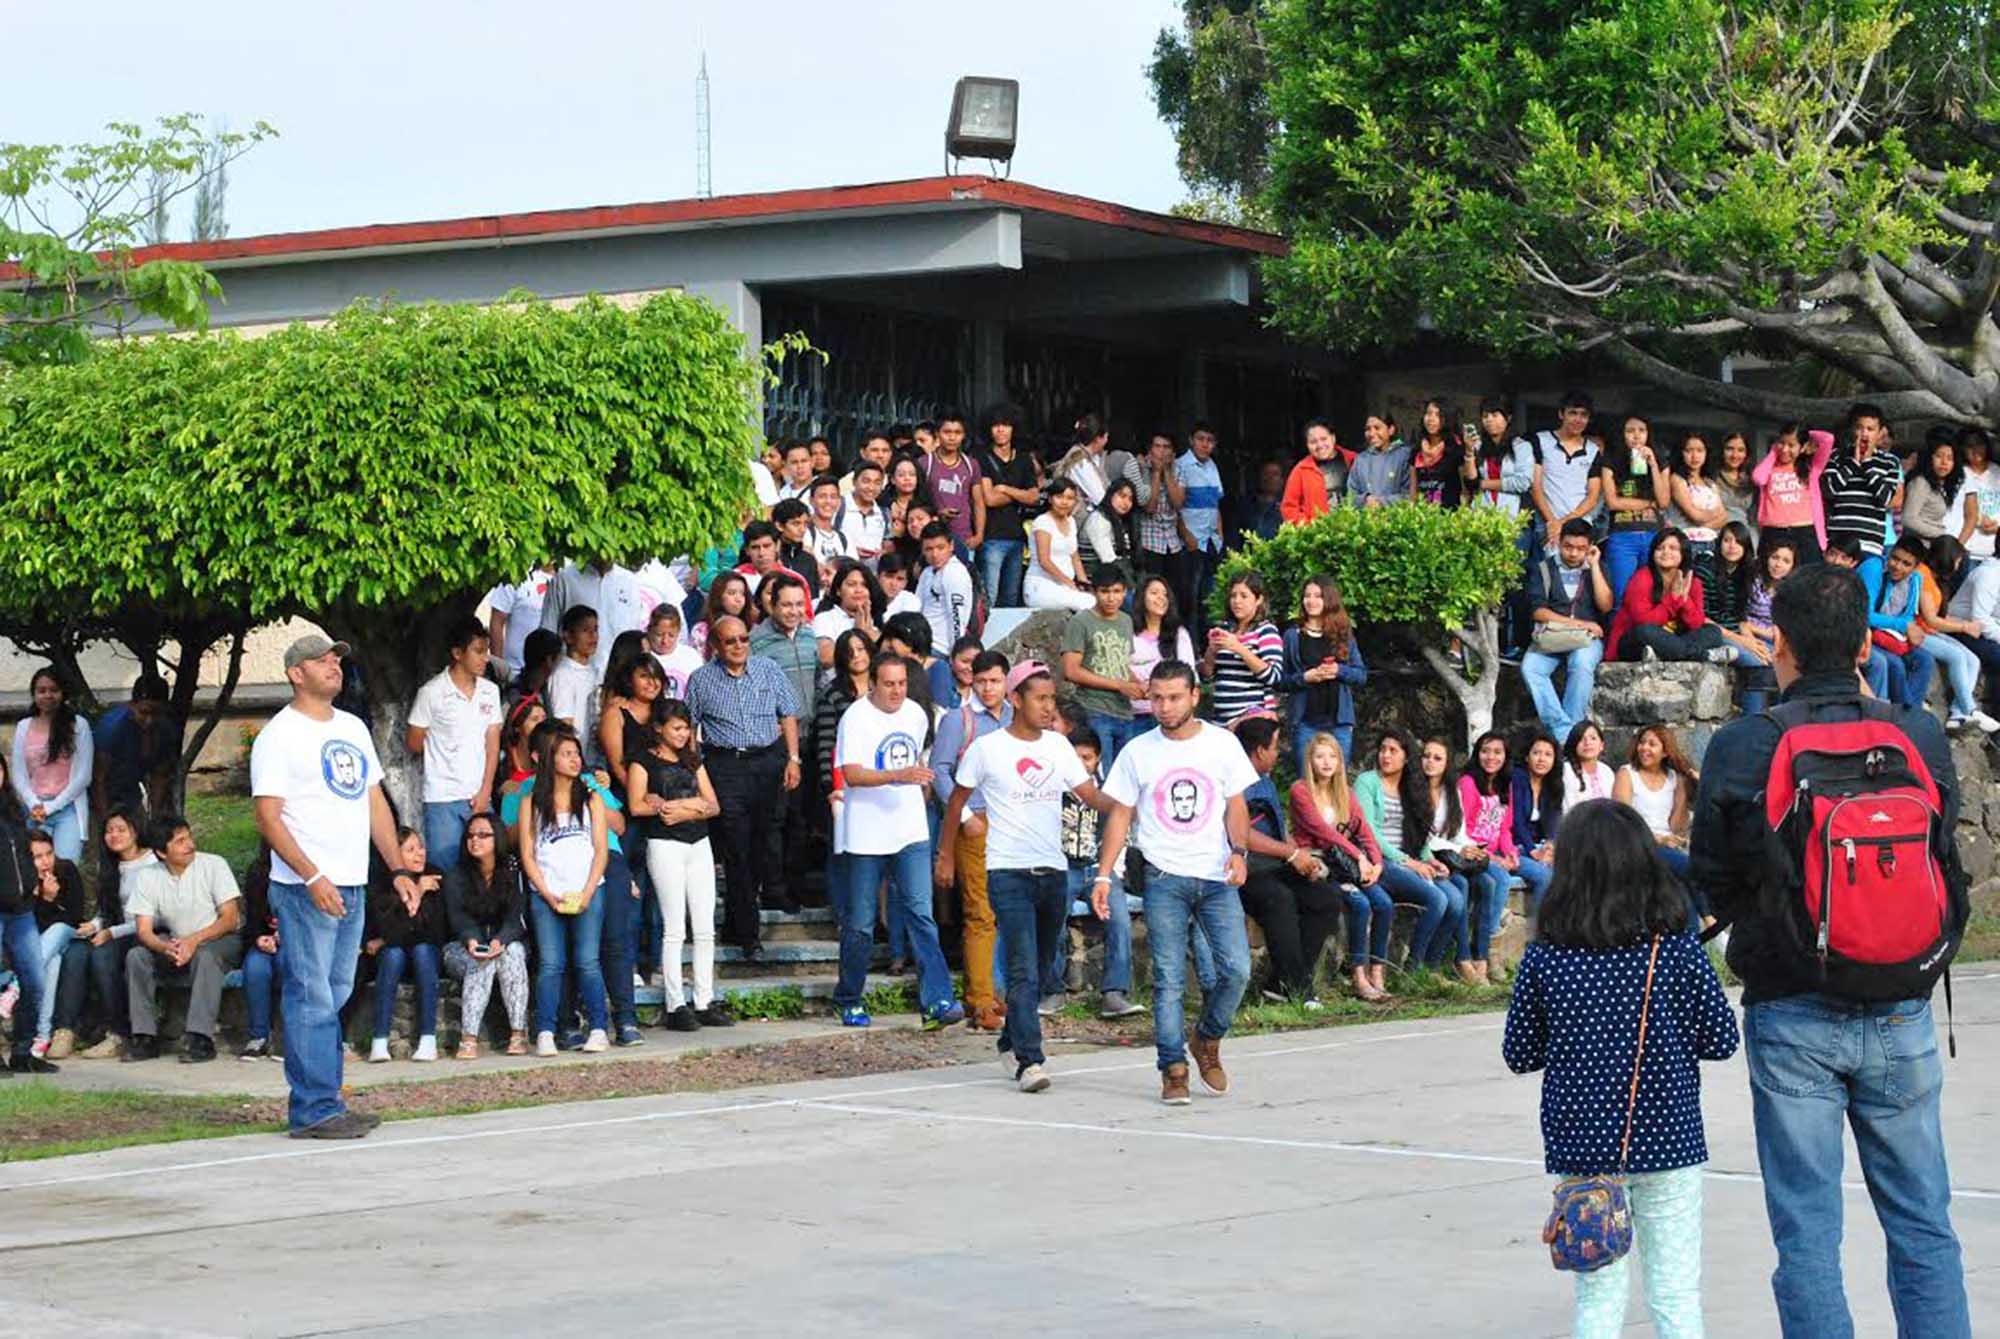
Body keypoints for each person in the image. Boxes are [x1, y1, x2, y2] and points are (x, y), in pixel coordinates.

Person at [1691, 562, 1972, 1337]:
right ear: (1865, 644)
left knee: (1808, 1231)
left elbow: (1712, 875)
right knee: (1924, 1222)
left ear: (1777, 641)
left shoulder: (1745, 743)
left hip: (1793, 1008)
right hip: (1903, 1004)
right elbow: (1943, 853)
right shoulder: (1917, 732)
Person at [1504, 799, 1738, 1339]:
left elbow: (1520, 1053)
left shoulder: (1547, 958)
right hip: (1669, 1138)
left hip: (1583, 1147)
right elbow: (1722, 1040)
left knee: (1597, 1298)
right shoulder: (1676, 950)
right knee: (1675, 1292)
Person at [251, 633, 415, 1138]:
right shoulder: (279, 736)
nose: (333, 666)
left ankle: (328, 1100)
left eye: (336, 660)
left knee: (338, 990)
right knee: (311, 995)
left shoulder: (352, 727)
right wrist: (312, 875)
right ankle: (315, 1109)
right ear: (295, 673)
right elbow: (268, 818)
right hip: (306, 888)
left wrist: (399, 869)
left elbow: (373, 802)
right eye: (320, 660)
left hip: (351, 881)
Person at [938, 662, 1109, 1092]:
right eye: (1040, 698)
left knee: (1041, 964)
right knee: (1022, 969)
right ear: (1016, 699)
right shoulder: (987, 749)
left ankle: (1009, 1039)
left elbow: (1089, 795)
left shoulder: (1059, 746)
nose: (1049, 707)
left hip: (1053, 871)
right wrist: (946, 856)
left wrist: (1129, 804)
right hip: (1007, 871)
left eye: (1052, 698)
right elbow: (957, 801)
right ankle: (1030, 1060)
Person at [1090, 661, 1254, 1105]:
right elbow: (1120, 815)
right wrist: (1105, 874)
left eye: (1174, 697)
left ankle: (1207, 1037)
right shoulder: (1138, 751)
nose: (1164, 707)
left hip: (1217, 875)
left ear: (1195, 696)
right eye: (1157, 698)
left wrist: (1239, 851)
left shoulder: (1222, 744)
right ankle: (1173, 1068)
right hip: (1164, 875)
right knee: (1168, 978)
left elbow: (1236, 805)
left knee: (1237, 970)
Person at [830, 653, 965, 1031]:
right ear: (873, 683)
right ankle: (849, 997)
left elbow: (918, 763)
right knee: (860, 922)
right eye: (889, 684)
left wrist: (915, 785)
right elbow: (852, 773)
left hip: (909, 830)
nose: (896, 691)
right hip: (866, 834)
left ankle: (937, 1000)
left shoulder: (916, 714)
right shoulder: (855, 717)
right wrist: (897, 775)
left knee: (921, 914)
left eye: (902, 683)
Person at [683, 615, 801, 962]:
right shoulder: (701, 679)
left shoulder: (768, 669)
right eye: (730, 641)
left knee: (763, 845)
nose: (738, 646)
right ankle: (749, 935)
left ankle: (738, 922)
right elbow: (689, 728)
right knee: (736, 847)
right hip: (726, 766)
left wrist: (793, 758)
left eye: (743, 639)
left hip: (768, 762)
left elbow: (788, 713)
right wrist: (696, 773)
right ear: (715, 646)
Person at [627, 699, 729, 1031]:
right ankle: (675, 1003)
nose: (683, 734)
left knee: (704, 926)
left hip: (699, 842)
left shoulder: (692, 760)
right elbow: (637, 805)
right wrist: (685, 807)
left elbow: (713, 804)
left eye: (686, 728)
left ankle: (704, 998)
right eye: (677, 728)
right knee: (674, 927)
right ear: (659, 728)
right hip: (665, 844)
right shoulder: (643, 761)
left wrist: (683, 807)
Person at [516, 722, 612, 1056]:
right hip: (547, 892)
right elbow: (528, 854)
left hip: (589, 890)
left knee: (587, 961)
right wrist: (545, 892)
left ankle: (598, 1028)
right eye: (567, 754)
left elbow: (601, 850)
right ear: (551, 759)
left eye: (576, 754)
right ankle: (545, 1030)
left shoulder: (591, 799)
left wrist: (587, 892)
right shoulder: (531, 802)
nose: (575, 760)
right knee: (551, 963)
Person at [930, 650, 1013, 1031]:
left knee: (1008, 910)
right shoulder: (958, 719)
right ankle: (980, 999)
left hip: (1013, 823)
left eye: (995, 681)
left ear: (1007, 681)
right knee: (979, 911)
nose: (988, 688)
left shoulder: (1016, 716)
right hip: (975, 819)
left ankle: (1001, 991)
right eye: (981, 681)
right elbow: (940, 771)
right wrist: (964, 816)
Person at [1283, 728, 1394, 1003]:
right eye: (1320, 756)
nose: (1326, 762)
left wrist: (1376, 863)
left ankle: (1377, 971)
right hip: (1319, 860)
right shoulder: (1300, 790)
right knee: (1360, 904)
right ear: (1310, 761)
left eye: (1332, 756)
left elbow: (1364, 830)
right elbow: (1322, 832)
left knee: (1383, 903)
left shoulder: (1345, 792)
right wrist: (1359, 856)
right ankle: (1358, 975)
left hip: (1345, 862)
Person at [122, 812, 244, 1064]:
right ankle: (144, 1037)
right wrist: (165, 947)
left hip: (219, 939)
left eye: (189, 837)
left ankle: (200, 1038)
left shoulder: (214, 865)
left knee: (206, 956)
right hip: (177, 942)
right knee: (137, 956)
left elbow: (230, 918)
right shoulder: (148, 876)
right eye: (180, 841)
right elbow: (144, 930)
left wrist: (193, 941)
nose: (190, 845)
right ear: (161, 852)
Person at [1054, 726, 1144, 1018]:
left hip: (1099, 869)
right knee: (1052, 915)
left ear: (1097, 760)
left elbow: (1120, 836)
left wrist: (1109, 873)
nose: (1081, 764)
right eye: (1076, 758)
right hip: (1063, 868)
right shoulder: (1053, 792)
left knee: (1119, 918)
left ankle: (1114, 993)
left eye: (1088, 758)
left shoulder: (1108, 793)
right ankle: (1052, 989)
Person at [1352, 728, 1461, 968]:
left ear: (1406, 757)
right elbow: (1369, 833)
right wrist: (1409, 862)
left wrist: (1429, 859)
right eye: (1383, 749)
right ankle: (1413, 966)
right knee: (1437, 899)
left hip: (1408, 860)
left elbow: (1417, 831)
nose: (1386, 755)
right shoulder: (1367, 782)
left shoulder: (1411, 786)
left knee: (1455, 901)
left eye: (1393, 751)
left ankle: (1432, 965)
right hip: (1380, 861)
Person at [406, 617, 502, 872]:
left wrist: (485, 790)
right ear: (458, 653)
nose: (485, 658)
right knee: (446, 870)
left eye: (486, 651)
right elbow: (414, 741)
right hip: (442, 796)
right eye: (478, 651)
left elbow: (493, 745)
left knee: (484, 870)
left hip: (479, 795)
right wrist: (442, 751)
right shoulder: (432, 692)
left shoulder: (490, 691)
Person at [65, 806, 158, 1060]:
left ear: (135, 831)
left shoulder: (152, 863)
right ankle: (71, 1028)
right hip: (118, 931)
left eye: (121, 829)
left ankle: (119, 1032)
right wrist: (94, 926)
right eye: (109, 830)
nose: (114, 835)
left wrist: (110, 933)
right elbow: (107, 909)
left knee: (102, 955)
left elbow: (153, 917)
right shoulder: (110, 865)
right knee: (77, 950)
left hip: (148, 933)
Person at [1414, 737, 1508, 986]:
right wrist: (1459, 849)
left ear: (1447, 763)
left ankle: (1481, 958)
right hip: (1433, 856)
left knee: (1488, 883)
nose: (1430, 762)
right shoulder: (1413, 790)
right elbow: (1423, 837)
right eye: (1426, 756)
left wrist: (1472, 848)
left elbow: (1459, 832)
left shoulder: (1451, 792)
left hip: (1453, 855)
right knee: (1462, 885)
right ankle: (1462, 959)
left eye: (1437, 758)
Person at [1521, 519, 1614, 740]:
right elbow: (1538, 612)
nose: (1573, 553)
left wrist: (1594, 567)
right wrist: (1580, 624)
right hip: (1551, 636)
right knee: (1530, 668)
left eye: (1581, 548)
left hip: (1586, 640)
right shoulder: (1543, 569)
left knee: (1581, 664)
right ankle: (1565, 732)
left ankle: (1569, 734)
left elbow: (1606, 606)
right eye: (1568, 546)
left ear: (1590, 547)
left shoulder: (1598, 568)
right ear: (1559, 542)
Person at [361, 826, 448, 1063]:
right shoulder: (382, 884)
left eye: (421, 847)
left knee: (421, 950)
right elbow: (389, 929)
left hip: (427, 956)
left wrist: (386, 938)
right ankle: (379, 1041)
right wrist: (417, 891)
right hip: (393, 956)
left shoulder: (435, 877)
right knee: (394, 954)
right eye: (410, 850)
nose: (419, 854)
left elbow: (433, 931)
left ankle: (428, 1039)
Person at [1462, 729, 1547, 956]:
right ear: (1477, 754)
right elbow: (1463, 832)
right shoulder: (1468, 783)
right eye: (1485, 751)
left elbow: (1504, 828)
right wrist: (1494, 859)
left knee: (1543, 875)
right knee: (1500, 878)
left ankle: (1539, 943)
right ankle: (1489, 947)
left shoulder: (1504, 784)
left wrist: (1510, 852)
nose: (1491, 757)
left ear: (1505, 756)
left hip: (1499, 850)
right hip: (1474, 852)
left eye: (1497, 752)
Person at [1281, 574, 1367, 773]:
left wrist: (1339, 670)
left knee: (1337, 781)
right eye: (1307, 596)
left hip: (1339, 723)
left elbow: (1361, 675)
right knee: (1307, 782)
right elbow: (1280, 681)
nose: (1311, 601)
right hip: (1305, 722)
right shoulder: (1292, 635)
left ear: (1329, 599)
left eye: (1317, 596)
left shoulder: (1343, 633)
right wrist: (1305, 677)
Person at [1914, 535, 2000, 733]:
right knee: (1958, 656)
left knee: (1973, 660)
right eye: (1958, 560)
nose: (1960, 565)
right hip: (1920, 630)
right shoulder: (1923, 575)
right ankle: (1970, 709)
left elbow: (1940, 615)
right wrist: (1963, 627)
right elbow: (1930, 619)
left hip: (1934, 629)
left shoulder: (1935, 580)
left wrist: (1961, 624)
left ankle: (1957, 715)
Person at [0, 776, 57, 1075]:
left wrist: (33, 883)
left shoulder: (14, 809)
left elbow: (25, 852)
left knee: (35, 980)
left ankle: (23, 1052)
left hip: (21, 910)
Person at [1060, 569, 1143, 766]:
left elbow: (1120, 664)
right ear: (1094, 592)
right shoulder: (1081, 621)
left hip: (1124, 711)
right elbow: (1071, 670)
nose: (1111, 598)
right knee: (1100, 773)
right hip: (1093, 709)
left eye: (1117, 591)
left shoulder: (1126, 620)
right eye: (1105, 591)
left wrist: (1139, 685)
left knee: (1124, 776)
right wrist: (1119, 685)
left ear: (1125, 592)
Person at [1609, 528, 1729, 663]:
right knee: (1646, 631)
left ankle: (1663, 654)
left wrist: (1684, 600)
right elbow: (1643, 621)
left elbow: (1696, 624)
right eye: (1660, 548)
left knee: (1713, 632)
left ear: (1683, 553)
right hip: (1635, 642)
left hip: (1673, 640)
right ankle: (1704, 655)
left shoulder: (1692, 582)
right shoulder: (1642, 578)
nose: (1666, 552)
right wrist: (1672, 599)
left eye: (1673, 548)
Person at [11, 665, 93, 861]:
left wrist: (52, 807)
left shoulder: (78, 725)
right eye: (41, 691)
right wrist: (34, 804)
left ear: (63, 693)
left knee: (66, 868)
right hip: (34, 810)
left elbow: (84, 776)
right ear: (34, 695)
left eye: (54, 690)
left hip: (68, 809)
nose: (48, 695)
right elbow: (18, 774)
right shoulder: (23, 727)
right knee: (36, 869)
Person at [1614, 723, 1697, 897]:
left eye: (1652, 744)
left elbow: (1676, 828)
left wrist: (1683, 789)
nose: (1644, 748)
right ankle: (1706, 913)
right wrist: (1659, 839)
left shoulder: (1673, 777)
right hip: (1638, 843)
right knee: (1689, 870)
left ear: (1665, 752)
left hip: (1667, 846)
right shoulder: (1627, 774)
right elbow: (1623, 823)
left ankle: (1697, 916)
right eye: (1642, 742)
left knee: (1686, 887)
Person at [23, 829, 85, 1060]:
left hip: (68, 935)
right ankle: (42, 1034)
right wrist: (46, 900)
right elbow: (30, 928)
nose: (46, 861)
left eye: (49, 853)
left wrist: (50, 901)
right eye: (38, 857)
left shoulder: (66, 869)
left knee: (58, 928)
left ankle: (17, 987)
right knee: (53, 962)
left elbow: (74, 917)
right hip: (43, 947)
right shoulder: (22, 881)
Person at [1820, 402, 1903, 574]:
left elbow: (1886, 499)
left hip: (1870, 543)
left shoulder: (1890, 462)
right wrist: (1853, 463)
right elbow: (1829, 491)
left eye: (1870, 429)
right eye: (1859, 428)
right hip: (1839, 544)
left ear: (1880, 433)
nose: (1864, 434)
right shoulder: (1836, 456)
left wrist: (1867, 464)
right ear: (1852, 430)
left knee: (1867, 589)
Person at [1597, 413, 1672, 602]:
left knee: (1653, 595)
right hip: (1622, 535)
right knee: (1621, 596)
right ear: (1622, 434)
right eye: (1630, 431)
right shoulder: (1611, 460)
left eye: (1642, 430)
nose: (1636, 436)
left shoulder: (1660, 461)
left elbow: (1663, 502)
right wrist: (1649, 504)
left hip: (1653, 535)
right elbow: (1613, 502)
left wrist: (1653, 465)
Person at [1705, 521, 1777, 709]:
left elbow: (1741, 618)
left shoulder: (1744, 574)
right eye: (1727, 540)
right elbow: (1700, 618)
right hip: (1712, 633)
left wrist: (1751, 640)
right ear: (1719, 543)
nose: (1732, 546)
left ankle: (1774, 717)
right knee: (1759, 662)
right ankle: (1754, 717)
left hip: (1735, 633)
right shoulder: (1705, 569)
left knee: (1773, 657)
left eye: (1738, 542)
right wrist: (1742, 641)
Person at [1863, 535, 1940, 712]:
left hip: (1889, 636)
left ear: (1915, 567)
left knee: (1925, 660)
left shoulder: (1915, 579)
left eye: (1906, 564)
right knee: (1895, 664)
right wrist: (1904, 626)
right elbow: (1866, 615)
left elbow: (1909, 615)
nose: (1897, 566)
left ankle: (1910, 712)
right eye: (1895, 558)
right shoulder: (1874, 568)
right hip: (1865, 632)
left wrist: (1907, 628)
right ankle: (1907, 715)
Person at [92, 673, 177, 820]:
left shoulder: (164, 730)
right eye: (144, 713)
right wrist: (107, 821)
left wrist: (155, 817)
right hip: (98, 796)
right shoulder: (111, 728)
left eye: (156, 713)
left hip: (130, 793)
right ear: (132, 705)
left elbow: (159, 776)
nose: (150, 720)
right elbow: (99, 779)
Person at [977, 403, 1039, 607]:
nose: (1001, 430)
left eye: (1006, 425)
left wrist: (1004, 488)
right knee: (990, 596)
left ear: (1014, 428)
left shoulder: (1023, 459)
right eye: (996, 425)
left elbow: (1034, 497)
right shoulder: (982, 457)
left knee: (1011, 598)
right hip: (992, 537)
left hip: (1017, 537)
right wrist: (1021, 493)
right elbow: (990, 499)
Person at [1203, 573, 1284, 724]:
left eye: (1244, 596)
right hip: (1221, 720)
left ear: (1258, 600)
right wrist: (1211, 651)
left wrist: (1239, 648)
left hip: (1253, 720)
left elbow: (1273, 676)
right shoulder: (1225, 629)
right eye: (1233, 596)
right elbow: (1207, 675)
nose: (1237, 601)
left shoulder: (1266, 630)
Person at [1530, 390, 1604, 553]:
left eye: (1583, 415)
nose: (1578, 419)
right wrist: (1552, 522)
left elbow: (1593, 496)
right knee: (1550, 568)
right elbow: (1535, 487)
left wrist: (1563, 522)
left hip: (1580, 527)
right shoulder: (1540, 441)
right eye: (1573, 413)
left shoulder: (1593, 451)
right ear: (1561, 414)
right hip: (1547, 525)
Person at [1127, 431, 1194, 612]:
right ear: (1150, 450)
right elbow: (1150, 506)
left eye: (1166, 447)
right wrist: (1156, 473)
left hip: (1172, 542)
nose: (1162, 452)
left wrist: (1167, 473)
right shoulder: (1141, 468)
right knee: (1150, 593)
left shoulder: (1178, 469)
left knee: (1176, 594)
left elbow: (1178, 503)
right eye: (1157, 446)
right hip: (1150, 541)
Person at [1753, 424, 1835, 563]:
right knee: (1771, 574)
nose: (1785, 449)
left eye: (1791, 445)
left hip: (1804, 533)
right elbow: (1758, 478)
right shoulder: (1771, 466)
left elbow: (1828, 439)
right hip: (1774, 532)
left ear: (1802, 447)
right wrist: (1774, 452)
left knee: (1807, 575)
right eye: (1781, 443)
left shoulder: (1811, 467)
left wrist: (1805, 433)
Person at [234, 846, 285, 1061]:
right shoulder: (258, 872)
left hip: (298, 942)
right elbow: (253, 918)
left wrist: (287, 936)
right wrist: (259, 938)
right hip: (264, 940)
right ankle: (258, 1036)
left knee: (287, 964)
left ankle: (286, 1036)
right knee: (255, 967)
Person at [1508, 730, 1564, 914]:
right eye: (1536, 753)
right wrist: (1533, 851)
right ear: (1527, 757)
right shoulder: (1517, 779)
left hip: (1537, 846)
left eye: (1548, 754)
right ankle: (1539, 928)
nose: (1541, 759)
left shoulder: (1552, 784)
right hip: (1514, 847)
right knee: (1545, 877)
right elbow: (1516, 820)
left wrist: (1550, 844)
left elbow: (1554, 820)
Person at [1024, 478, 1097, 612]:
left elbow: (1074, 556)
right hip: (1040, 586)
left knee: (1095, 598)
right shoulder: (1043, 522)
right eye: (1059, 497)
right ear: (1050, 499)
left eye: (1070, 498)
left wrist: (1084, 584)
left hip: (1065, 587)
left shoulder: (1071, 521)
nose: (1064, 502)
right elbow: (1044, 561)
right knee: (1089, 602)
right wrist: (1069, 583)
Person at [920, 410, 985, 559]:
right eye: (947, 432)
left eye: (957, 432)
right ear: (937, 434)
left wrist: (979, 535)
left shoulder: (971, 464)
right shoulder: (925, 463)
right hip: (933, 539)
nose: (952, 437)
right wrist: (938, 513)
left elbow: (978, 502)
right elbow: (918, 501)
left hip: (965, 539)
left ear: (964, 435)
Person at [1667, 432, 1728, 574]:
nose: (1695, 456)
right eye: (1689, 450)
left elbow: (1724, 517)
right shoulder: (1677, 479)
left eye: (1700, 450)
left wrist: (1702, 526)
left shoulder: (1710, 482)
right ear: (1681, 453)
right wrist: (1714, 514)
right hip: (1687, 543)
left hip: (1712, 542)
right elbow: (1695, 515)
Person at [916, 521, 978, 653]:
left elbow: (957, 616)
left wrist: (955, 652)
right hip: (922, 645)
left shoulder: (954, 572)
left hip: (942, 649)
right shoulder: (927, 572)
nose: (935, 554)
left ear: (951, 546)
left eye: (940, 548)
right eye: (929, 549)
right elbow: (917, 608)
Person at [545, 604, 600, 747]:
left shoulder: (595, 671)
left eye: (595, 629)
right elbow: (564, 723)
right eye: (585, 630)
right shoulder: (563, 674)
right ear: (568, 636)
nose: (593, 636)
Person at [486, 566, 553, 681]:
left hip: (552, 675)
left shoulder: (568, 572)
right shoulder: (517, 572)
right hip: (514, 672)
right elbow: (497, 621)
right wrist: (499, 669)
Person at [1282, 419, 1350, 525]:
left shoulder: (1353, 460)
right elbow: (1288, 508)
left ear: (1333, 438)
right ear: (1307, 445)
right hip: (1318, 533)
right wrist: (1310, 526)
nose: (1319, 445)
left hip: (1352, 530)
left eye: (1324, 439)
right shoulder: (1301, 470)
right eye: (1313, 442)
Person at [1951, 426, 2000, 562]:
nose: (1975, 449)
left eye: (1979, 444)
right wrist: (1978, 520)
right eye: (1969, 446)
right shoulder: (1959, 473)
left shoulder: (1997, 472)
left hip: (1995, 551)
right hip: (1968, 550)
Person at [1902, 434, 1964, 541]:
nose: (1944, 462)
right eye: (1939, 456)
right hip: (1918, 546)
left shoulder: (1941, 485)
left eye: (1949, 458)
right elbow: (1908, 519)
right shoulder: (1921, 483)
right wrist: (1941, 535)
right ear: (1929, 458)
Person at [1080, 478, 1139, 588]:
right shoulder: (1099, 520)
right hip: (1097, 584)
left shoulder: (1120, 521)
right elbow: (1110, 561)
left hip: (1114, 578)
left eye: (1130, 499)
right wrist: (1134, 589)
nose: (1126, 503)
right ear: (1110, 495)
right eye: (1122, 496)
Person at [1407, 399, 1465, 508]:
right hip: (1423, 513)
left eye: (1438, 415)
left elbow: (1465, 490)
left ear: (1448, 419)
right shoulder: (1417, 449)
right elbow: (1413, 489)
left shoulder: (1456, 448)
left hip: (1450, 514)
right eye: (1429, 413)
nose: (1431, 419)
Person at [1347, 413, 1412, 507]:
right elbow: (1350, 496)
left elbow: (1410, 495)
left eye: (1377, 428)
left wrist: (1380, 502)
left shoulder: (1405, 456)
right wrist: (1365, 500)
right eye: (1368, 429)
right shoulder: (1361, 460)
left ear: (1391, 430)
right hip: (1365, 516)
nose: (1371, 434)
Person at [645, 603, 705, 700]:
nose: (665, 641)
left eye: (671, 635)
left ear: (678, 632)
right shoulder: (643, 655)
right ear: (649, 630)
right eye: (659, 635)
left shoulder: (691, 657)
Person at [839, 460, 890, 569]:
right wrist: (852, 551)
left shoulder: (884, 513)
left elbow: (887, 544)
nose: (871, 488)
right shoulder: (839, 506)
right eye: (866, 481)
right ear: (854, 482)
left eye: (877, 483)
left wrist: (882, 553)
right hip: (843, 569)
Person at [1055, 412, 1112, 507]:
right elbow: (1100, 498)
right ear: (1098, 439)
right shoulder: (1080, 462)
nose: (1107, 440)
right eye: (1106, 437)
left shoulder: (1093, 457)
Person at [1714, 432, 1759, 539]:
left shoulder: (1751, 479)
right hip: (1718, 534)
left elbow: (1754, 517)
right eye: (1729, 449)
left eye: (1740, 450)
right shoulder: (1711, 478)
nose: (1734, 455)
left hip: (1746, 535)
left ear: (1746, 453)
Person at [1563, 720, 1616, 806]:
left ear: (1601, 745)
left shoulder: (1607, 771)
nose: (1587, 743)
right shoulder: (1565, 771)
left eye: (1593, 738)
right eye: (1581, 739)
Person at [1240, 457, 1287, 542]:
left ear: (1282, 480)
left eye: (1275, 474)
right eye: (1266, 473)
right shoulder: (1245, 508)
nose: (1270, 478)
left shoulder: (1288, 508)